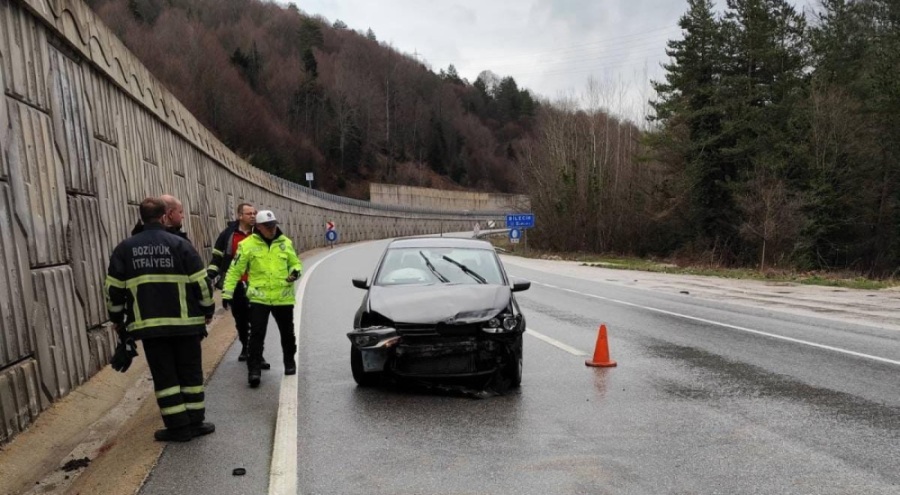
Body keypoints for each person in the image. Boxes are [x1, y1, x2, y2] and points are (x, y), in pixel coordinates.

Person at [105, 196, 215, 442]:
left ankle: (178, 428)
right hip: (186, 325)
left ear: (141, 217)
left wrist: (117, 319)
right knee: (190, 374)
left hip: (150, 327)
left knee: (165, 377)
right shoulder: (179, 244)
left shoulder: (125, 249)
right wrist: (207, 310)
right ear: (164, 216)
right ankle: (196, 422)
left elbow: (113, 290)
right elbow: (202, 282)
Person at [222, 210, 302, 388]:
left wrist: (295, 272)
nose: (272, 229)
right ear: (258, 227)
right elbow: (235, 270)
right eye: (268, 226)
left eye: (273, 224)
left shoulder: (285, 242)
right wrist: (227, 293)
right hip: (259, 298)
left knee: (287, 334)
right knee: (256, 335)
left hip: (283, 297)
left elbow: (295, 263)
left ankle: (289, 362)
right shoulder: (247, 245)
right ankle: (254, 370)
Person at [207, 203, 269, 369]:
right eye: (249, 213)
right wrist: (210, 275)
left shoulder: (261, 232)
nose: (253, 216)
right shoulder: (228, 235)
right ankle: (245, 345)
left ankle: (257, 354)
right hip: (235, 284)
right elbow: (217, 258)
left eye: (254, 213)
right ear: (240, 216)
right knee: (241, 319)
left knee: (257, 320)